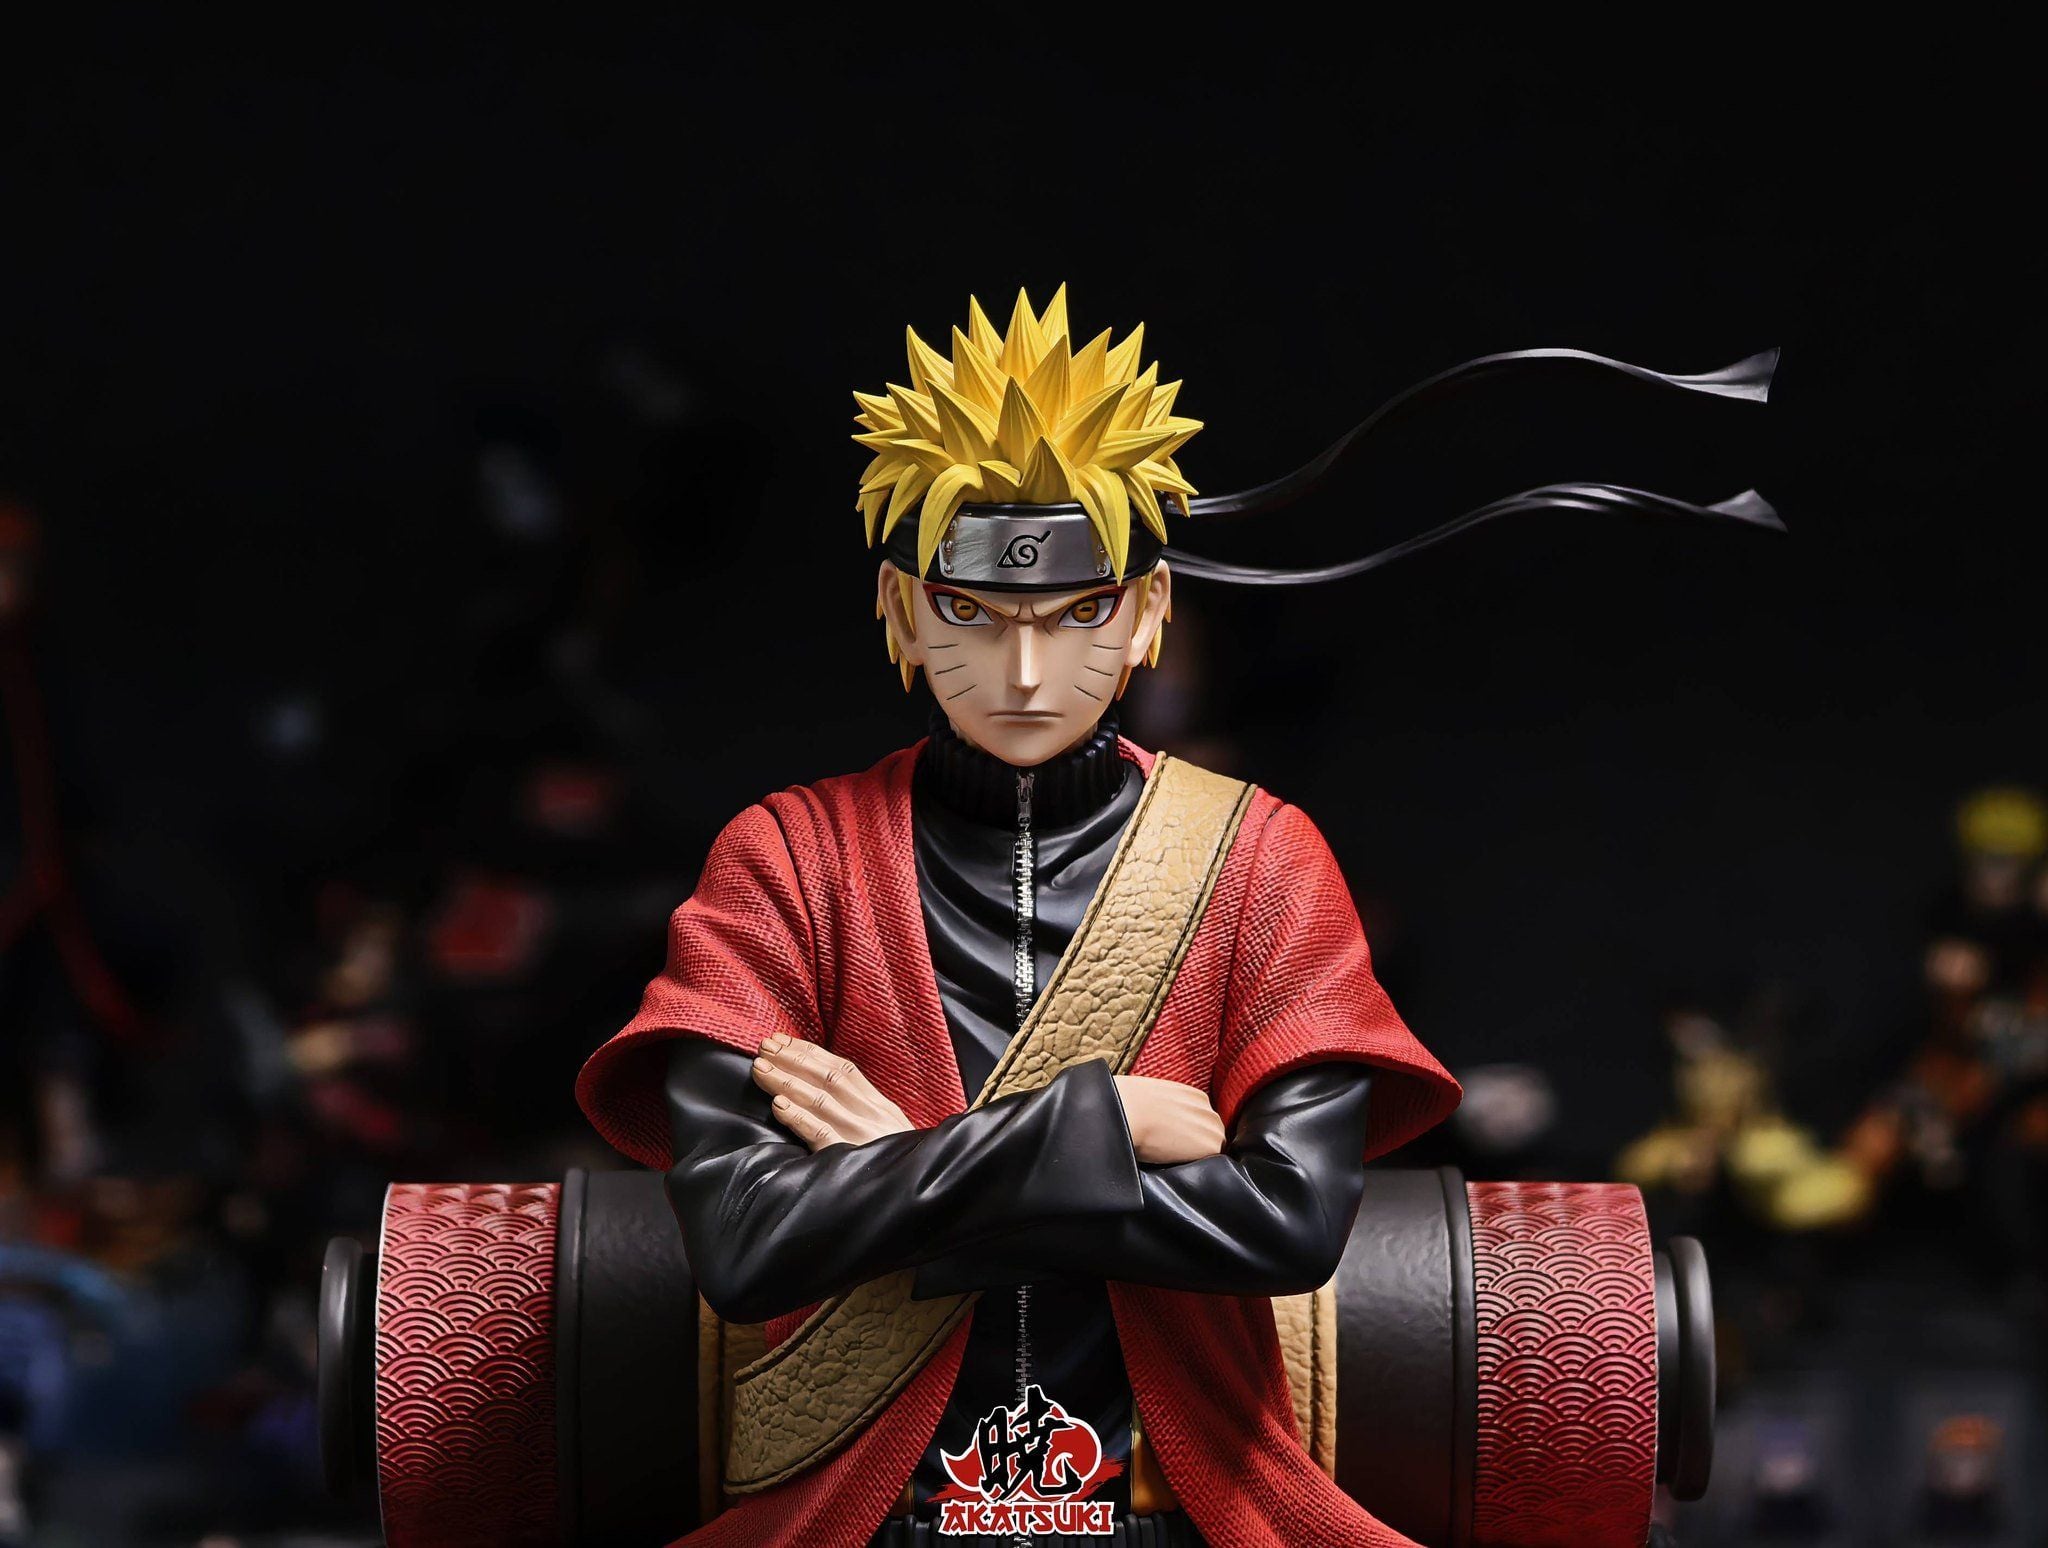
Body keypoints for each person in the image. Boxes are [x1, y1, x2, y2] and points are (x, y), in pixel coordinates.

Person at [575, 287, 1778, 1548]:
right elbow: (746, 1242)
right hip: (859, 1510)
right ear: (900, 609)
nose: (1026, 671)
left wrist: (904, 1167)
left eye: (1078, 614)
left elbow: (1286, 1224)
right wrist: (1087, 1131)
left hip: (1185, 1503)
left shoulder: (1256, 858)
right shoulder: (785, 860)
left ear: (1148, 609)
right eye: (972, 614)